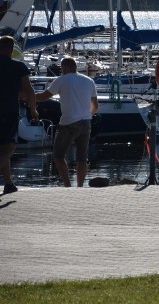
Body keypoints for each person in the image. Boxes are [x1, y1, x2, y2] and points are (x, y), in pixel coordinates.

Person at [35, 57, 98, 188]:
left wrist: (28, 96)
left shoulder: (62, 80)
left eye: (62, 68)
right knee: (82, 158)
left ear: (65, 67)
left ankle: (68, 186)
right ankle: (80, 186)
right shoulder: (89, 80)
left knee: (58, 155)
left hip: (69, 123)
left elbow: (43, 97)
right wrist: (87, 116)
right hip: (86, 122)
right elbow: (95, 106)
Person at [0, 35, 39, 195]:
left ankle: (9, 183)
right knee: (10, 146)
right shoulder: (18, 67)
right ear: (10, 48)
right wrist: (33, 109)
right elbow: (29, 90)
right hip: (8, 110)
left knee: (2, 147)